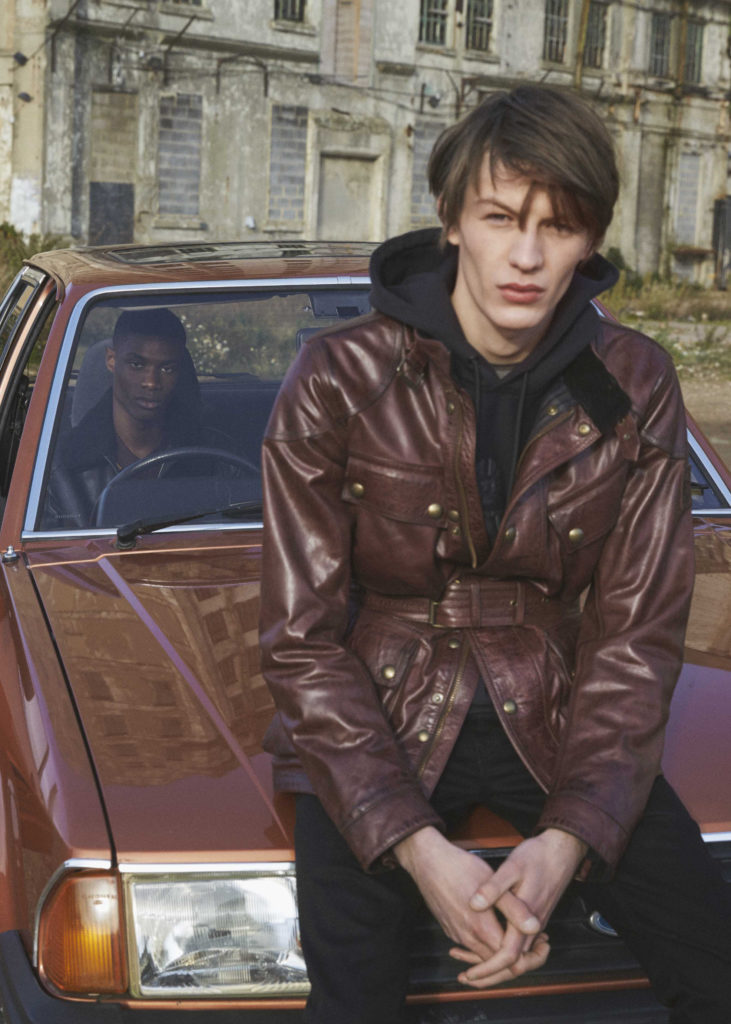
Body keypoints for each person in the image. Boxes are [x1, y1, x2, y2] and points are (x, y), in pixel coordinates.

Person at [259, 85, 731, 1023]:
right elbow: (300, 641)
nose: (525, 255)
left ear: (590, 241)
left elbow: (635, 635)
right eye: (500, 218)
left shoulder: (633, 381)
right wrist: (413, 844)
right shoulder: (338, 376)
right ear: (450, 222)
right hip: (372, 716)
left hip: (555, 711)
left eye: (558, 226)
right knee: (352, 1003)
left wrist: (568, 839)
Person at [45, 307, 205, 527]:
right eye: (137, 365)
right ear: (111, 360)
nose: (151, 382)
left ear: (180, 371)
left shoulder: (212, 459)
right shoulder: (60, 466)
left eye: (167, 369)